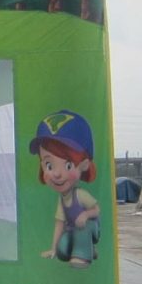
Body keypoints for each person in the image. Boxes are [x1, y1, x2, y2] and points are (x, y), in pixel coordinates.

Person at [30, 110, 100, 268]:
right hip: (73, 231)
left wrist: (85, 215)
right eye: (49, 165)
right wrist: (53, 249)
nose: (56, 174)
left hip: (90, 228)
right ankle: (87, 249)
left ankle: (83, 255)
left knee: (83, 228)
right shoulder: (62, 200)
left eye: (68, 165)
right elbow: (59, 223)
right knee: (63, 250)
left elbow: (96, 210)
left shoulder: (80, 194)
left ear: (84, 164)